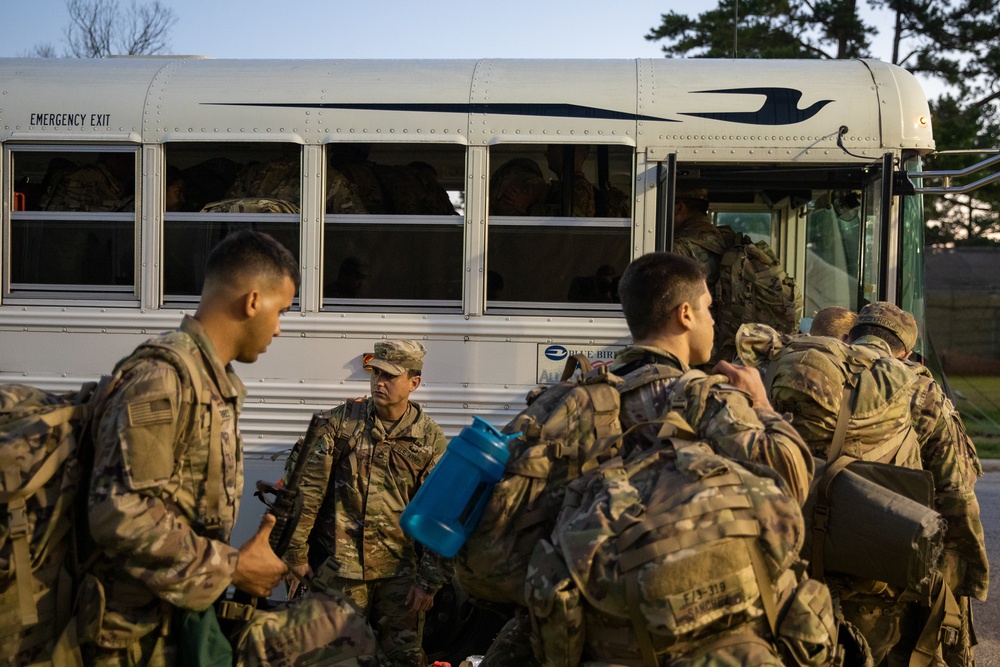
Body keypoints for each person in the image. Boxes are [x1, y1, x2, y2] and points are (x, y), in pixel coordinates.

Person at [83, 230, 380, 665]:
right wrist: (231, 566)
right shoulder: (163, 380)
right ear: (253, 301)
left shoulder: (211, 382)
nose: (279, 328)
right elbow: (116, 513)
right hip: (131, 639)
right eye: (280, 311)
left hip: (177, 618)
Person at [517, 251, 825, 666]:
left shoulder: (570, 399)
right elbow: (789, 477)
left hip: (590, 629)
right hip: (694, 625)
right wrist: (761, 403)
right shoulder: (701, 395)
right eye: (709, 310)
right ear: (685, 314)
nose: (713, 322)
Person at [284, 340, 453, 666]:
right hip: (339, 575)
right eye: (375, 373)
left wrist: (429, 582)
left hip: (399, 580)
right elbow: (308, 492)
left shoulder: (429, 439)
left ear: (413, 383)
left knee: (402, 659)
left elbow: (440, 516)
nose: (379, 382)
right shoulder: (339, 424)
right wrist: (295, 554)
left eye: (390, 376)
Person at [848, 303, 988, 667]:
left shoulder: (814, 376)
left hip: (810, 559)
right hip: (886, 565)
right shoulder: (919, 389)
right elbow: (956, 492)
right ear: (907, 352)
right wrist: (964, 577)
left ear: (850, 336)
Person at [543, 144, 596, 217]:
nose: (546, 154)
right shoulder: (566, 186)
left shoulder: (578, 189)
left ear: (568, 154)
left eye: (551, 148)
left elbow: (574, 223)